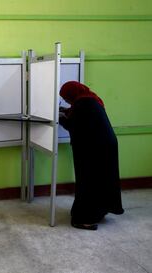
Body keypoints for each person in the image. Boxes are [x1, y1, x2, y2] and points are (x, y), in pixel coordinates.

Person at [59, 81, 124, 230]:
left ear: (72, 94)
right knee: (101, 180)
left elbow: (75, 126)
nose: (67, 101)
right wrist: (66, 111)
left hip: (94, 149)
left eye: (66, 97)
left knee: (88, 181)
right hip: (104, 146)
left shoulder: (83, 104)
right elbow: (79, 116)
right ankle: (98, 211)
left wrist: (60, 119)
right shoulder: (89, 99)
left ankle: (84, 218)